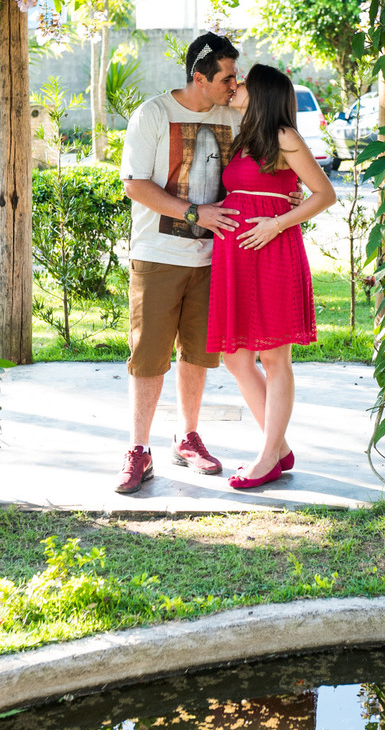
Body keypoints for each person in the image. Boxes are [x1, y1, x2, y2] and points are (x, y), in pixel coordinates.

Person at [116, 32, 242, 493]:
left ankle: (187, 438)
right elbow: (135, 184)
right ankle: (138, 449)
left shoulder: (235, 113)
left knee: (198, 352)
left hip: (214, 258)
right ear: (199, 77)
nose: (235, 84)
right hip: (157, 254)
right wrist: (194, 212)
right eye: (227, 77)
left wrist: (245, 96)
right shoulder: (153, 114)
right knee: (148, 355)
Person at [207, 63, 337, 490]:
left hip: (272, 249)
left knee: (275, 357)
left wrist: (276, 223)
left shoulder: (284, 136)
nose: (235, 86)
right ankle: (278, 448)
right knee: (235, 357)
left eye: (242, 82)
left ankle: (267, 456)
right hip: (237, 255)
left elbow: (324, 194)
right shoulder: (247, 135)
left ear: (261, 92)